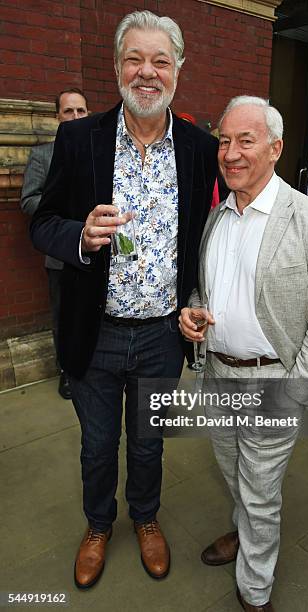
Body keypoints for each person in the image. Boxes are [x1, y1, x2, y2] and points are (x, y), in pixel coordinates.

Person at [30, 10, 218, 589]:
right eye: (135, 58)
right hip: (98, 329)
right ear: (116, 67)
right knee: (96, 446)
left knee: (148, 442)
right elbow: (43, 221)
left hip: (163, 333)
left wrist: (193, 296)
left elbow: (206, 235)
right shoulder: (78, 138)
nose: (147, 71)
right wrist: (79, 237)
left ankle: (145, 518)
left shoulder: (199, 146)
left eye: (160, 60)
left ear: (178, 71)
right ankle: (97, 525)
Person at [179, 96, 308, 611]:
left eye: (245, 141)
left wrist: (296, 391)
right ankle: (242, 530)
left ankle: (255, 590)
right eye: (224, 141)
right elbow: (207, 291)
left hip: (273, 381)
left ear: (275, 149)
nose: (229, 153)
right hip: (218, 376)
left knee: (259, 488)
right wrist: (194, 313)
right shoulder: (217, 219)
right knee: (234, 470)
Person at [21, 88, 89, 400]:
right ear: (57, 117)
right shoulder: (42, 155)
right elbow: (29, 200)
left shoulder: (99, 152)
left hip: (99, 252)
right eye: (69, 111)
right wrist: (63, 211)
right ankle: (66, 371)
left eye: (81, 111)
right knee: (63, 314)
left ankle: (93, 365)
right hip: (61, 253)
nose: (75, 117)